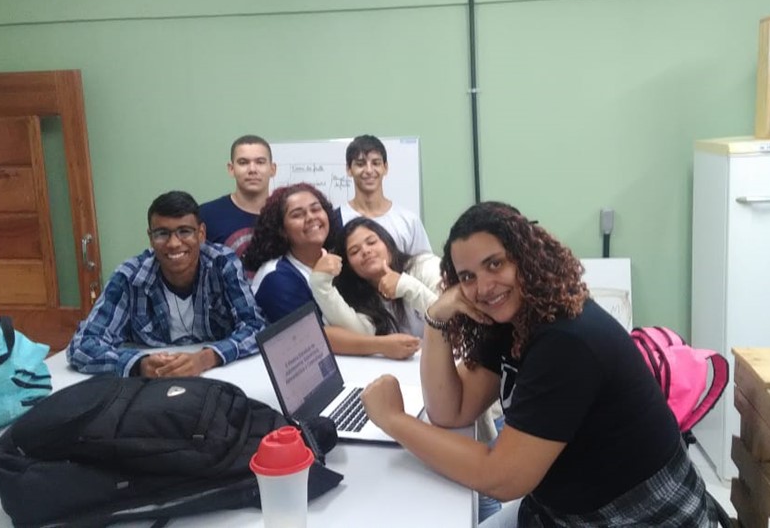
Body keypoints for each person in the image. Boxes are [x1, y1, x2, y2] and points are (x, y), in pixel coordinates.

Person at [361, 202, 719, 527]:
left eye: (495, 264)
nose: (483, 287)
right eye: (467, 276)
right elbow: (451, 411)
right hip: (560, 512)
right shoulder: (513, 320)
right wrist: (437, 315)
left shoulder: (567, 341)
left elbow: (502, 479)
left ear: (527, 258)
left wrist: (394, 420)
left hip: (641, 518)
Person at [67, 191, 266, 378]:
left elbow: (256, 327)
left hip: (219, 376)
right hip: (152, 382)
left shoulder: (223, 265)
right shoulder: (129, 277)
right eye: (162, 233)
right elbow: (82, 346)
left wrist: (205, 358)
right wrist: (139, 364)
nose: (173, 244)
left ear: (201, 234)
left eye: (184, 231)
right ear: (150, 238)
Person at [243, 183, 420, 360]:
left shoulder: (338, 259)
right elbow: (314, 336)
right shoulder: (276, 278)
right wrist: (382, 345)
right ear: (282, 229)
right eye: (297, 215)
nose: (311, 217)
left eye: (316, 209)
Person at [309, 217, 441, 337]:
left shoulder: (425, 266)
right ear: (349, 266)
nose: (366, 251)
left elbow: (450, 317)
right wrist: (320, 284)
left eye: (371, 242)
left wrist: (406, 286)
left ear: (388, 243)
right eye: (354, 251)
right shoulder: (360, 298)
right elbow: (359, 333)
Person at [339, 135, 432, 255]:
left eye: (376, 163)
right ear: (349, 169)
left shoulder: (409, 221)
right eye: (361, 164)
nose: (369, 170)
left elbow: (424, 264)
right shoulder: (337, 219)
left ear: (385, 167)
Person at [199, 134, 277, 257]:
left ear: (272, 169)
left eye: (260, 162)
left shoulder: (287, 215)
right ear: (231, 169)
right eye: (243, 162)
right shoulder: (206, 215)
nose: (252, 169)